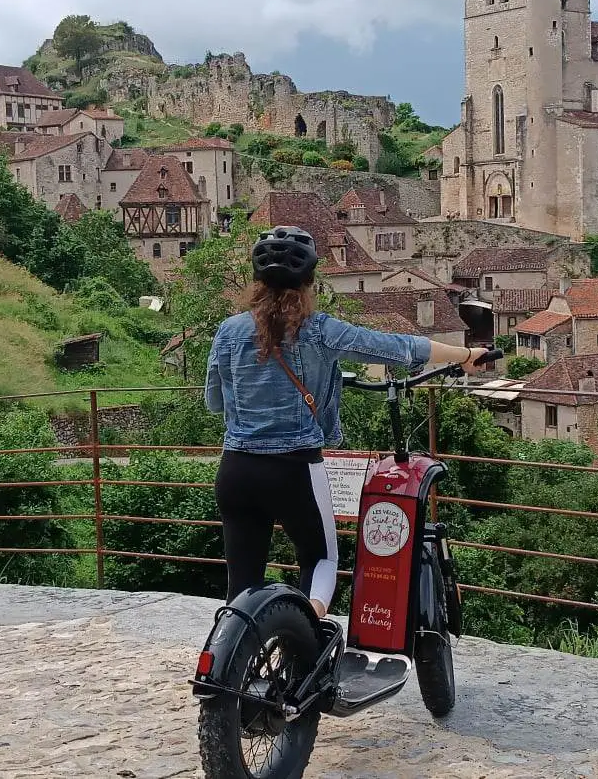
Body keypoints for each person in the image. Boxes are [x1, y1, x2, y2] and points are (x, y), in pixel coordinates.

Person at [204, 225, 493, 620]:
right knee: (321, 560)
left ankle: (231, 661)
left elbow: (215, 402)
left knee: (241, 583)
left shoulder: (228, 331)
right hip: (295, 467)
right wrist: (464, 354)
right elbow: (397, 347)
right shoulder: (320, 330)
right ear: (309, 282)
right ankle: (303, 644)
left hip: (235, 468)